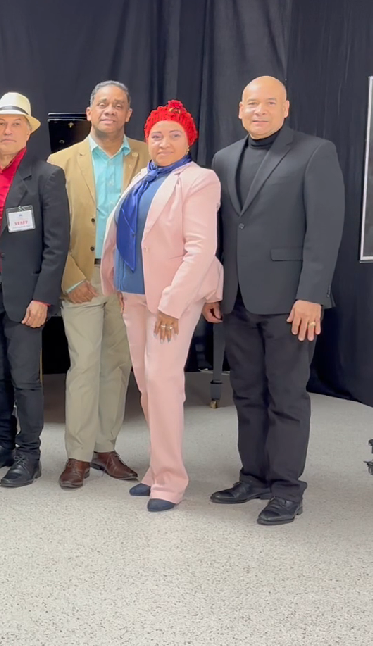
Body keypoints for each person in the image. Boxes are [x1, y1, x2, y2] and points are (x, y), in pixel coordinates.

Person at [204, 76, 345, 525]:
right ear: (240, 109)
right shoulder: (223, 159)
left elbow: (325, 233)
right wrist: (215, 288)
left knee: (286, 396)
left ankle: (287, 487)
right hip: (237, 299)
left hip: (291, 302)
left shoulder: (315, 152)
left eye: (269, 102)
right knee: (246, 392)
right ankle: (255, 476)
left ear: (286, 108)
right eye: (251, 103)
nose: (259, 110)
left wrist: (312, 296)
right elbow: (221, 233)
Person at [100, 101, 223, 512]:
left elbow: (201, 247)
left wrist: (172, 304)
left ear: (189, 139)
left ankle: (171, 480)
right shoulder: (142, 178)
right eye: (156, 135)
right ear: (146, 139)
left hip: (171, 300)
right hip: (134, 295)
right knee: (147, 384)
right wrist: (117, 282)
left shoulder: (199, 180)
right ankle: (157, 468)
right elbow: (127, 235)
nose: (164, 142)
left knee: (164, 384)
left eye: (174, 134)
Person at [48, 80, 150, 489]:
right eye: (102, 104)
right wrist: (70, 279)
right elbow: (53, 230)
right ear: (89, 112)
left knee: (117, 366)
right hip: (82, 277)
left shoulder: (150, 155)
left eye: (119, 105)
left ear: (129, 114)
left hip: (130, 280)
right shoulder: (60, 161)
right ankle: (77, 455)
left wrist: (141, 279)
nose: (110, 110)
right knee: (84, 366)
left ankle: (105, 448)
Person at [0, 93, 70, 488]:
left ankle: (30, 454)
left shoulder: (46, 175)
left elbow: (56, 244)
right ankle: (2, 444)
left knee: (25, 378)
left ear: (27, 131)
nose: (7, 130)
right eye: (1, 124)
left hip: (26, 295)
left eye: (15, 124)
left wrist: (43, 298)